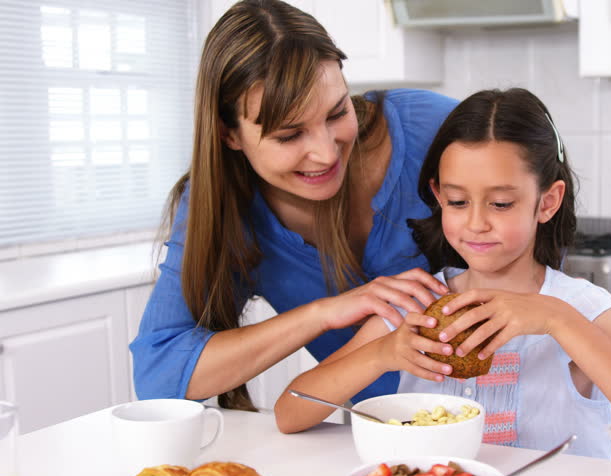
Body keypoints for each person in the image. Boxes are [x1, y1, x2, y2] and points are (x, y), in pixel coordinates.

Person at [273, 88, 611, 458]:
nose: (476, 223)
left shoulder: (580, 308)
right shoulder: (417, 305)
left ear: (547, 202)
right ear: (437, 196)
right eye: (458, 201)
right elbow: (291, 413)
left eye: (500, 204)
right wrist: (382, 353)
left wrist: (556, 319)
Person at [130, 0, 458, 411]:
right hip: (379, 440)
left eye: (338, 112)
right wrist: (323, 314)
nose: (325, 153)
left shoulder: (434, 128)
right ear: (229, 134)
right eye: (289, 136)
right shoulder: (221, 205)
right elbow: (158, 373)